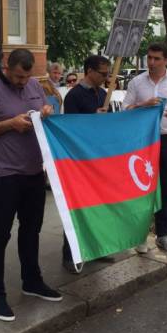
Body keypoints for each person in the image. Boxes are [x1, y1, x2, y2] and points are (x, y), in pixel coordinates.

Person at [0, 48, 61, 322]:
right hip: (5, 174)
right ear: (6, 66)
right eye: (19, 76)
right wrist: (9, 124)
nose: (23, 82)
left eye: (27, 76)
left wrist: (45, 110)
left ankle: (32, 280)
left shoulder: (34, 85)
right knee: (0, 234)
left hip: (33, 171)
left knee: (32, 230)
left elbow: (46, 108)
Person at [122, 43, 167, 254]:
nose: (151, 63)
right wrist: (142, 105)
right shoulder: (136, 82)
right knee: (141, 189)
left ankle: (163, 235)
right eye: (149, 58)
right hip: (142, 142)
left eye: (156, 59)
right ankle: (140, 236)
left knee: (166, 188)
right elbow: (125, 108)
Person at [61, 55, 112, 273]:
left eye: (108, 73)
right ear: (89, 71)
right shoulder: (74, 96)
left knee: (98, 205)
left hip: (98, 160)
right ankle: (71, 255)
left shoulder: (103, 94)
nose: (106, 77)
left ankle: (97, 247)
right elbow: (71, 129)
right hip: (79, 162)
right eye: (102, 73)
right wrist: (93, 117)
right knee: (77, 207)